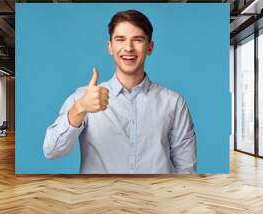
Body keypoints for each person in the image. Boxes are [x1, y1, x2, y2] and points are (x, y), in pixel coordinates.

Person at [43, 9, 196, 174]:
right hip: (101, 198)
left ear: (150, 47)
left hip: (155, 198)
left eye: (137, 40)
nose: (128, 48)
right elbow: (51, 151)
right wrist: (79, 108)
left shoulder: (173, 102)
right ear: (110, 47)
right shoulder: (84, 97)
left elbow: (186, 169)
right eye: (120, 39)